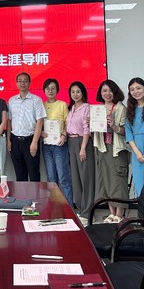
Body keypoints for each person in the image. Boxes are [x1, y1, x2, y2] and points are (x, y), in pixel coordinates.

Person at [94, 79, 129, 223]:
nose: (107, 93)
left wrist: (113, 126)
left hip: (117, 149)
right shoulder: (97, 109)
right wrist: (91, 123)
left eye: (110, 91)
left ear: (115, 92)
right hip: (103, 148)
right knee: (106, 180)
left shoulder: (121, 108)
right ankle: (111, 213)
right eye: (104, 91)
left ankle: (120, 214)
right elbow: (95, 131)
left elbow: (126, 131)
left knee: (118, 180)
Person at [7, 72, 46, 182]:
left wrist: (34, 142)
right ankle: (22, 194)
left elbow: (40, 121)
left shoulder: (36, 100)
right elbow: (9, 121)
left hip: (30, 140)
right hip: (15, 141)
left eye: (25, 81)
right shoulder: (11, 100)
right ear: (16, 83)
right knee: (20, 175)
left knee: (34, 174)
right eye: (20, 81)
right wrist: (8, 141)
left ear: (29, 83)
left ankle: (35, 194)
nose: (22, 83)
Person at [41, 78, 73, 206]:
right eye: (48, 88)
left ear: (57, 90)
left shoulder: (62, 104)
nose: (50, 91)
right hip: (46, 146)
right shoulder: (41, 105)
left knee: (63, 177)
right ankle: (53, 207)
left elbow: (67, 123)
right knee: (51, 179)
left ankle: (68, 207)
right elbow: (37, 123)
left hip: (60, 145)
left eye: (53, 88)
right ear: (44, 90)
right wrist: (41, 132)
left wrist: (64, 135)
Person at [66, 81, 94, 219]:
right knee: (75, 176)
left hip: (83, 142)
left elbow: (86, 129)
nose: (75, 94)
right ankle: (81, 208)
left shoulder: (86, 107)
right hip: (71, 142)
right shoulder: (71, 108)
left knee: (86, 177)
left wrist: (83, 148)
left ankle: (88, 212)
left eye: (78, 91)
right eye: (73, 92)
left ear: (83, 93)